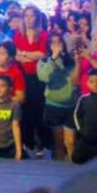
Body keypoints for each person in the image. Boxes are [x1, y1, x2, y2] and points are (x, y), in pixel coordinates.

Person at [14, 5, 49, 156]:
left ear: (37, 17)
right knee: (25, 109)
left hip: (38, 76)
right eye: (26, 16)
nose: (28, 19)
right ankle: (27, 143)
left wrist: (24, 54)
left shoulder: (43, 35)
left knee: (38, 109)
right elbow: (16, 56)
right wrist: (29, 55)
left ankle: (42, 143)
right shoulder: (17, 35)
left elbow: (42, 54)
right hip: (22, 75)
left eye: (31, 15)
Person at [37, 33, 78, 161]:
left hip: (70, 104)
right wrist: (53, 59)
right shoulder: (44, 61)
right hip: (53, 105)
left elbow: (76, 79)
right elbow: (43, 77)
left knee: (70, 142)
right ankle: (59, 168)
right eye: (53, 42)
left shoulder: (70, 61)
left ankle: (71, 165)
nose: (56, 46)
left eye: (59, 42)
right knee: (58, 143)